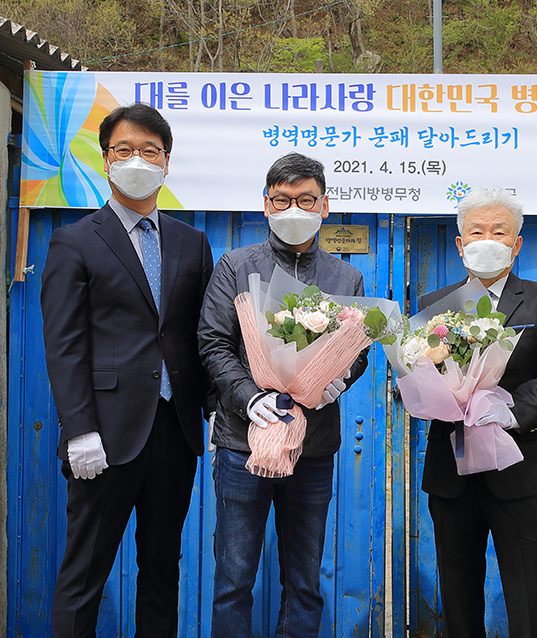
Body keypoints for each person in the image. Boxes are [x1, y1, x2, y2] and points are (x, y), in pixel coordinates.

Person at [41, 103, 214, 638]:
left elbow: (201, 336)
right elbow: (64, 344)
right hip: (104, 434)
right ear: (105, 159)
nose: (138, 160)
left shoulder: (192, 241)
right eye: (125, 150)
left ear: (167, 162)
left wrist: (210, 410)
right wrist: (79, 430)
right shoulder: (75, 240)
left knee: (161, 570)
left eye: (150, 151)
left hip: (175, 431)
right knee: (83, 575)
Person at [198, 152, 368, 638]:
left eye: (306, 199)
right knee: (233, 576)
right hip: (241, 443)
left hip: (312, 448)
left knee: (305, 579)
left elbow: (356, 352)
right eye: (283, 199)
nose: (295, 209)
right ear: (266, 205)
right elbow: (214, 342)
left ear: (325, 205)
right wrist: (250, 398)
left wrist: (337, 380)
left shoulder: (345, 278)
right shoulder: (236, 266)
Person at [418, 187, 537, 638]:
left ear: (517, 242)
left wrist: (509, 412)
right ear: (460, 242)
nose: (488, 240)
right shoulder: (435, 303)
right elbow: (418, 367)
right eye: (477, 232)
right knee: (459, 595)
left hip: (520, 470)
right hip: (452, 475)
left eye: (499, 231)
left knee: (533, 597)